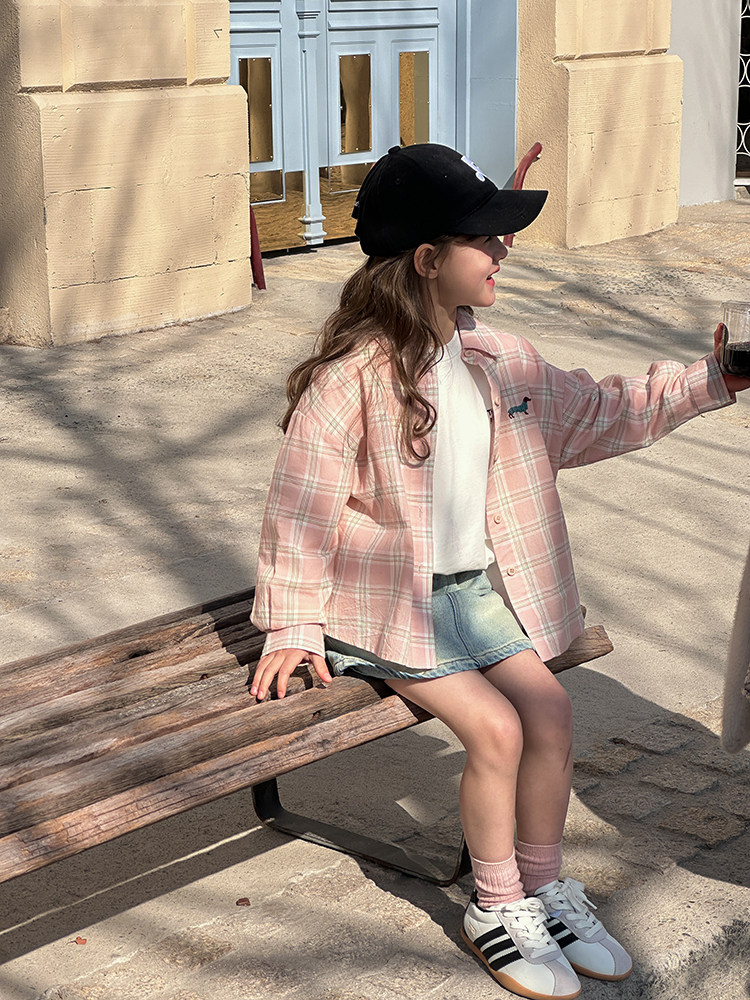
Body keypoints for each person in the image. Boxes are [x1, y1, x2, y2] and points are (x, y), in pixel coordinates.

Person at [250, 144, 748, 1000]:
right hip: (387, 604)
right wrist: (293, 623)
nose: (504, 249)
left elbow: (604, 411)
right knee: (496, 730)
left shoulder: (500, 360)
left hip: (470, 593)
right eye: (485, 238)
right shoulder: (352, 380)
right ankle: (496, 904)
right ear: (426, 259)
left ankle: (545, 887)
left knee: (550, 711)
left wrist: (714, 377)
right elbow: (300, 509)